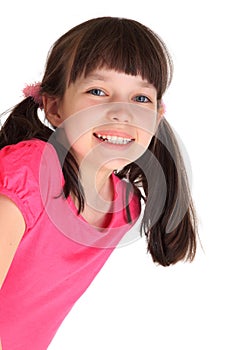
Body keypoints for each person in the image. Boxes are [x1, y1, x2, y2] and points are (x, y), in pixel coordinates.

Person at [0, 17, 197, 349]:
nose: (121, 113)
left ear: (157, 117)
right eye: (97, 91)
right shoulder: (30, 174)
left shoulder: (125, 206)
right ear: (54, 107)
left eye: (140, 99)